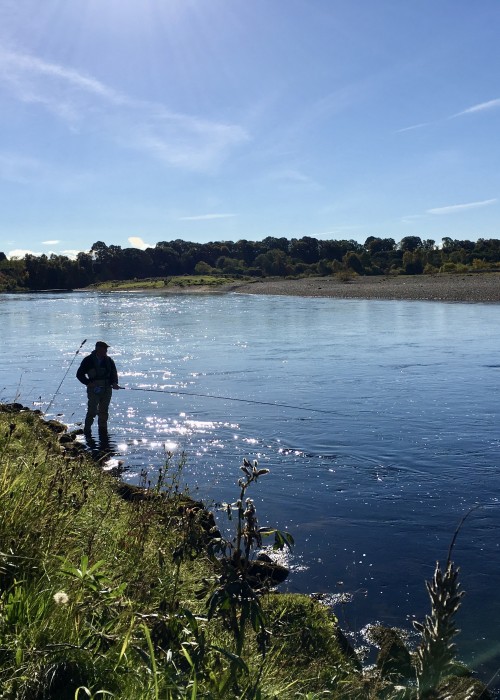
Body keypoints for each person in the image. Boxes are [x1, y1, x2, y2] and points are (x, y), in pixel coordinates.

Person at [76, 341, 119, 435]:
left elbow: (114, 374)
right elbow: (79, 375)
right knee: (92, 410)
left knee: (104, 411)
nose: (106, 351)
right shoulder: (88, 360)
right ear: (98, 349)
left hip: (107, 389)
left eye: (106, 349)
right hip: (93, 389)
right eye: (104, 348)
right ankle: (87, 431)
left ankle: (103, 431)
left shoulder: (109, 360)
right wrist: (88, 383)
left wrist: (115, 383)